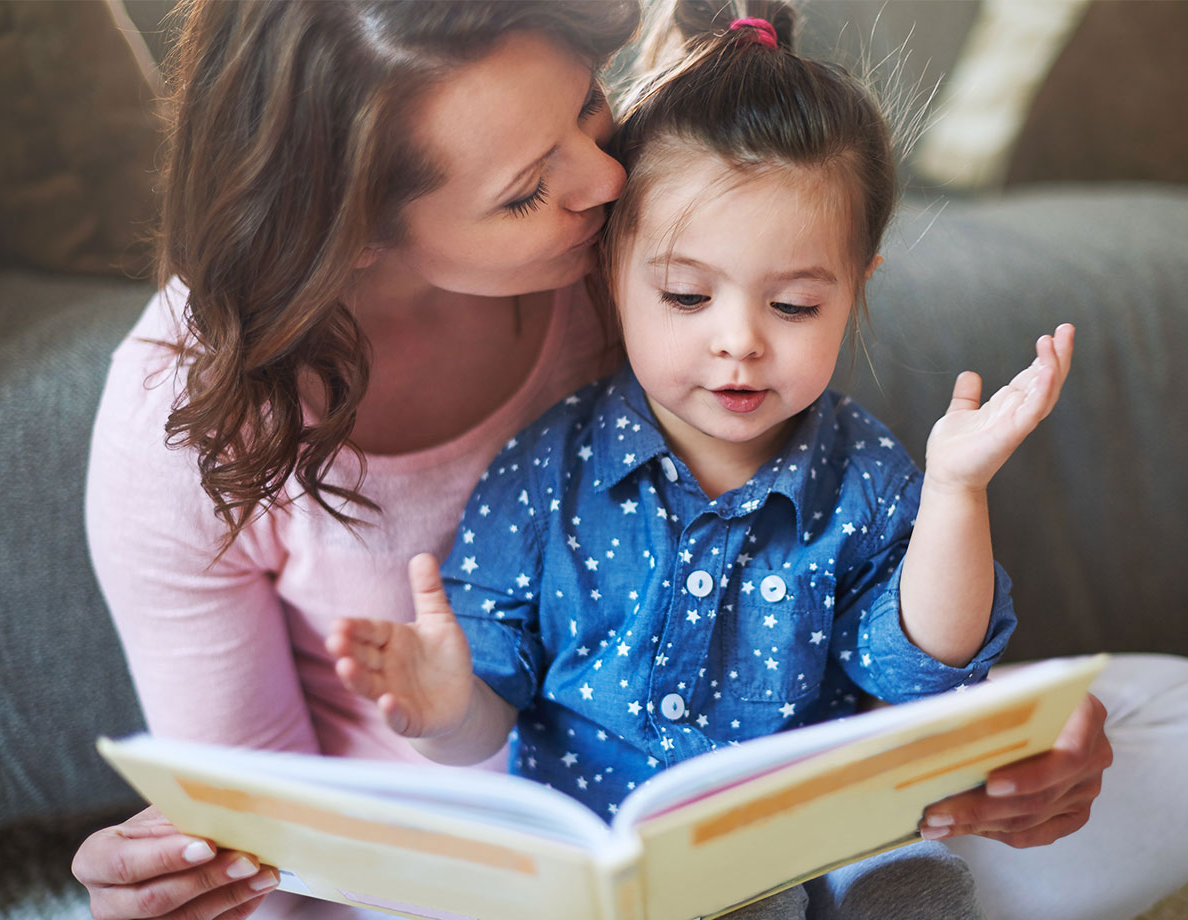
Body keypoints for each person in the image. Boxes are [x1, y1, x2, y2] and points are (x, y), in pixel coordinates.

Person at [71, 2, 1188, 919]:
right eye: (531, 190)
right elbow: (267, 827)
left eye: (589, 113)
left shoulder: (635, 251)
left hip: (780, 798)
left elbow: (883, 633)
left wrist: (1023, 752)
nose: (603, 184)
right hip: (487, 858)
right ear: (352, 223)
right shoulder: (186, 418)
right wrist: (175, 876)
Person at [326, 12, 1072, 918]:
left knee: (911, 885)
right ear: (611, 275)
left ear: (855, 290)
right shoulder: (544, 472)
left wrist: (957, 489)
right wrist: (446, 711)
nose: (739, 344)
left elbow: (923, 674)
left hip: (809, 837)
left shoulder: (867, 475)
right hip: (601, 864)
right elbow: (488, 712)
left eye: (794, 306)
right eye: (686, 295)